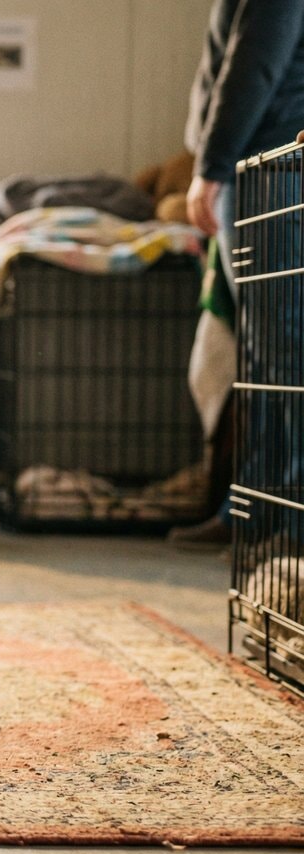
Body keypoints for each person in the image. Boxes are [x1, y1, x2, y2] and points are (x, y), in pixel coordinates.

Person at [171, 0, 304, 549]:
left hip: (264, 167)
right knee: (260, 354)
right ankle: (248, 511)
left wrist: (211, 166)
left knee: (279, 356)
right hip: (257, 164)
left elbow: (257, 62)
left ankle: (286, 523)